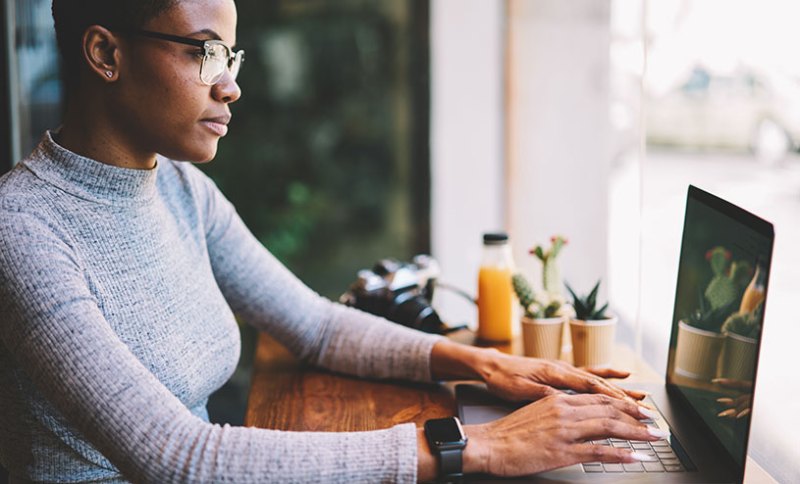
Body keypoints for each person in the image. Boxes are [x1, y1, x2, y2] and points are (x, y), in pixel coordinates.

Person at [0, 1, 663, 482]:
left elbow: (312, 323)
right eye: (203, 51)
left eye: (229, 55)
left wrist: (487, 367)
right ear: (106, 54)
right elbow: (178, 457)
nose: (230, 84)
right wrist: (476, 447)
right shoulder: (23, 228)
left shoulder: (179, 188)